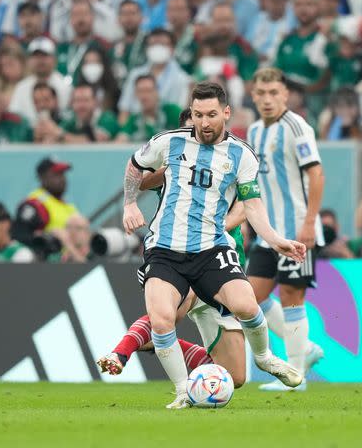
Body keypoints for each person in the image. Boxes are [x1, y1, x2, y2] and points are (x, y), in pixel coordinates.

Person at [122, 81, 305, 408]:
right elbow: (136, 166)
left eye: (210, 115)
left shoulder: (241, 155)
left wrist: (276, 240)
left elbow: (251, 205)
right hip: (165, 250)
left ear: (225, 113)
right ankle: (182, 390)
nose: (203, 123)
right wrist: (129, 203)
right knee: (162, 318)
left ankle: (264, 358)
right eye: (197, 115)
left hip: (212, 250)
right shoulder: (170, 142)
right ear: (190, 113)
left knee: (248, 308)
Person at [98, 108, 253, 390]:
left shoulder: (229, 159)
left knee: (236, 377)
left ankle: (157, 344)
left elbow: (248, 204)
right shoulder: (173, 166)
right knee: (168, 315)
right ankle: (122, 351)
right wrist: (168, 167)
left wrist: (219, 226)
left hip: (224, 261)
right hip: (181, 256)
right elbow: (139, 180)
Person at [245, 68, 326, 392]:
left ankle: (295, 377)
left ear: (285, 95)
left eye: (274, 93)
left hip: (297, 231)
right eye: (261, 94)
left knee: (292, 296)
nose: (267, 100)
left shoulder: (297, 127)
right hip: (268, 233)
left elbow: (317, 175)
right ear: (253, 96)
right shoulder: (253, 131)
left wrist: (308, 224)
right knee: (251, 298)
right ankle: (303, 349)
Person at [118, 28, 191, 124]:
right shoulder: (135, 75)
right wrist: (126, 131)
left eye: (162, 44)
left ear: (172, 49)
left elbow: (181, 114)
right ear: (147, 49)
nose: (158, 48)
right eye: (153, 45)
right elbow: (124, 110)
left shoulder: (183, 79)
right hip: (136, 129)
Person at [11, 157, 80, 250]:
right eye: (56, 174)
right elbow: (20, 237)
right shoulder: (35, 204)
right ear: (42, 177)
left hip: (74, 260)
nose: (62, 179)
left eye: (63, 174)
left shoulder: (68, 205)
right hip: (50, 262)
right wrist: (48, 238)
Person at [8, 37, 72, 126]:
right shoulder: (21, 87)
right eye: (36, 56)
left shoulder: (65, 86)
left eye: (44, 56)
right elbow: (14, 116)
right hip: (28, 137)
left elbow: (69, 118)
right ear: (29, 60)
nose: (40, 60)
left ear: (54, 59)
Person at [116, 75, 181, 142]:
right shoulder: (134, 120)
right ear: (135, 94)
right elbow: (121, 138)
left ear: (157, 92)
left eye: (148, 91)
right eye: (140, 91)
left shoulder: (172, 111)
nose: (144, 96)